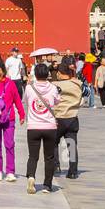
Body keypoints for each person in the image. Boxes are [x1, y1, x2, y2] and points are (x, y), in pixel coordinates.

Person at [23, 63, 60, 194]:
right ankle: (47, 185)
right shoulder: (54, 88)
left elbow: (27, 102)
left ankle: (31, 176)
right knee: (49, 157)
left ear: (36, 74)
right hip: (50, 126)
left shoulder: (29, 88)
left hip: (33, 127)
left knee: (33, 156)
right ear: (48, 74)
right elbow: (56, 102)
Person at [0, 59, 24, 181]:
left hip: (9, 119)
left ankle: (10, 171)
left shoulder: (11, 84)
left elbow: (17, 99)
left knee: (9, 144)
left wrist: (21, 114)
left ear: (3, 71)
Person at [53, 64, 83, 179]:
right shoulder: (78, 84)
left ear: (60, 73)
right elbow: (86, 95)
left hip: (58, 118)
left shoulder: (54, 85)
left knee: (54, 143)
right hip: (72, 118)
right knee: (72, 145)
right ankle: (73, 171)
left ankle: (56, 166)